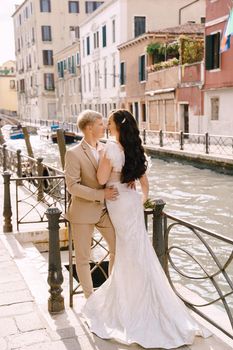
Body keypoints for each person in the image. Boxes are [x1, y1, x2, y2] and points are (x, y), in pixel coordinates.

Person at [82, 109, 210, 349]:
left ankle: (130, 305)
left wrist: (101, 157)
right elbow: (145, 186)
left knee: (127, 251)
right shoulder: (134, 150)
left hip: (117, 200)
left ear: (117, 127)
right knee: (137, 249)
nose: (107, 127)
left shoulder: (110, 148)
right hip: (130, 202)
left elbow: (100, 180)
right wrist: (138, 201)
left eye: (109, 123)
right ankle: (146, 299)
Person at [64, 110, 117, 299]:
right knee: (83, 258)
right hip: (82, 212)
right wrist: (100, 194)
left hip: (105, 211)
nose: (105, 127)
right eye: (101, 124)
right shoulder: (73, 153)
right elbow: (72, 186)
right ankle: (90, 299)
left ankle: (112, 292)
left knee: (118, 248)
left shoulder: (106, 148)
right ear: (89, 127)